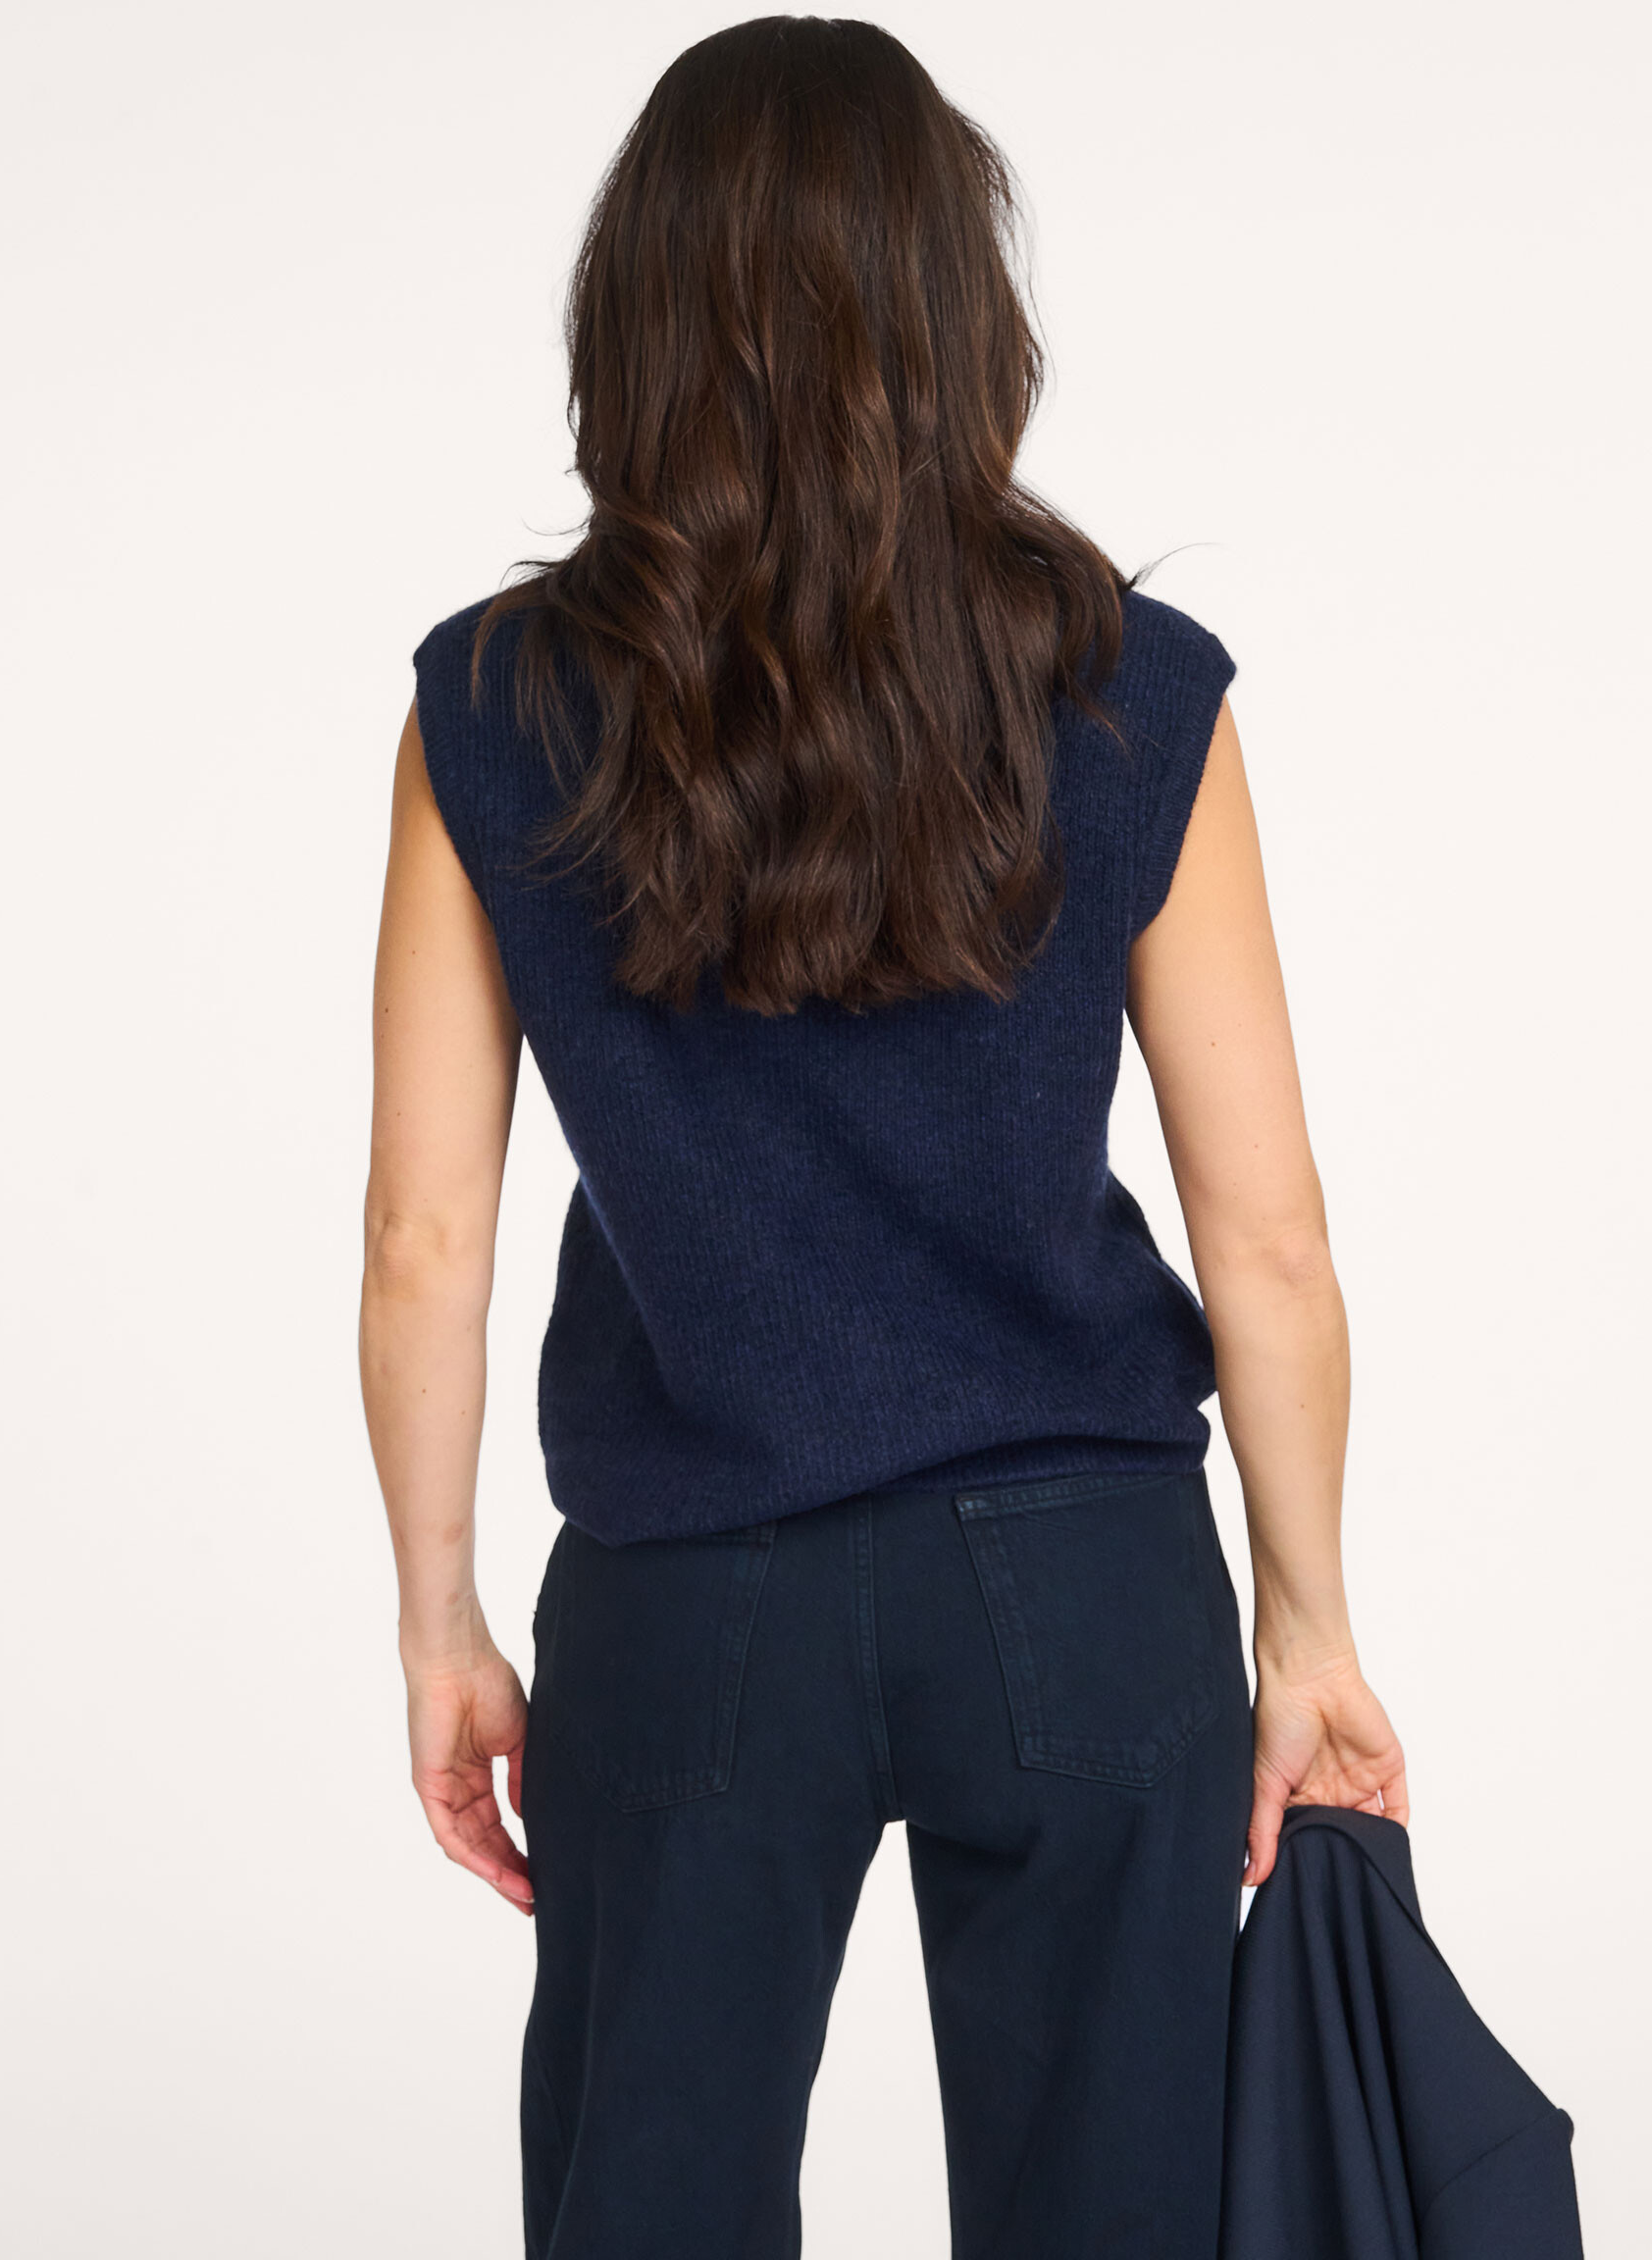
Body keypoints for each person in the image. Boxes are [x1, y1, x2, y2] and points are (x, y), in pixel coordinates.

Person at [358, 18, 1407, 2258]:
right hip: (1082, 1577)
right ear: (960, 311)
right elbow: (1271, 1239)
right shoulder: (1131, 685)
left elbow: (426, 1233)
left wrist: (441, 1618)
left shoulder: (496, 704)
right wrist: (1307, 1622)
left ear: (632, 310)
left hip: (687, 1585)